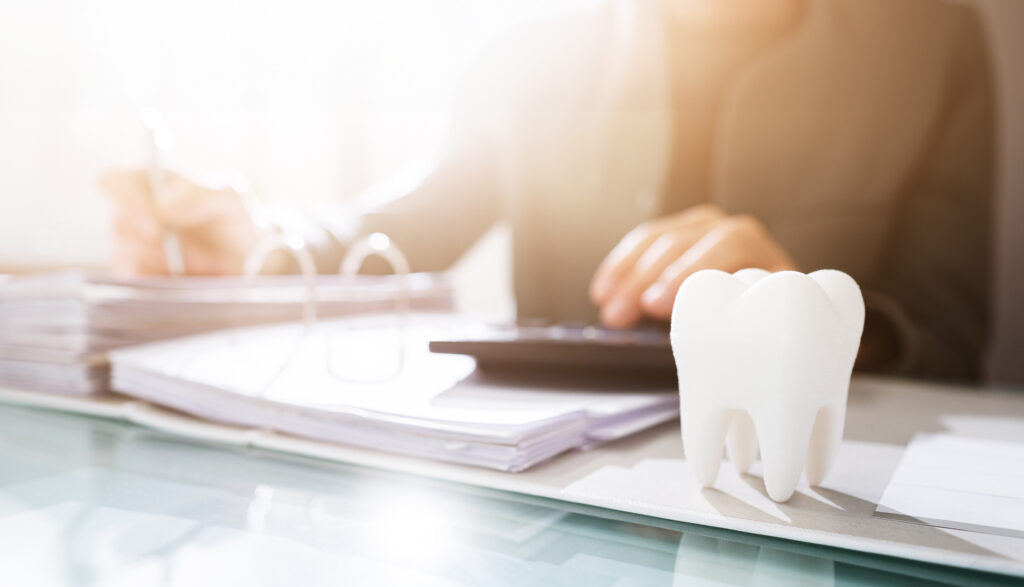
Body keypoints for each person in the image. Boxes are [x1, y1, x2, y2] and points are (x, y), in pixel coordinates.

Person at [102, 0, 993, 381]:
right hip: (562, 502)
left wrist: (812, 313)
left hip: (815, 488)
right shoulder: (536, 38)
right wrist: (265, 244)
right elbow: (409, 222)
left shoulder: (935, 41)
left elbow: (952, 337)